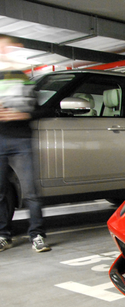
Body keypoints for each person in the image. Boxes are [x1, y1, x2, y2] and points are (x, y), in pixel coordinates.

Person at [0, 35, 50, 252]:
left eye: (7, 47)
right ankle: (3, 235)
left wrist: (22, 114)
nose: (5, 51)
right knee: (0, 191)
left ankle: (37, 235)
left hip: (22, 140)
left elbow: (41, 109)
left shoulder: (24, 77)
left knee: (30, 191)